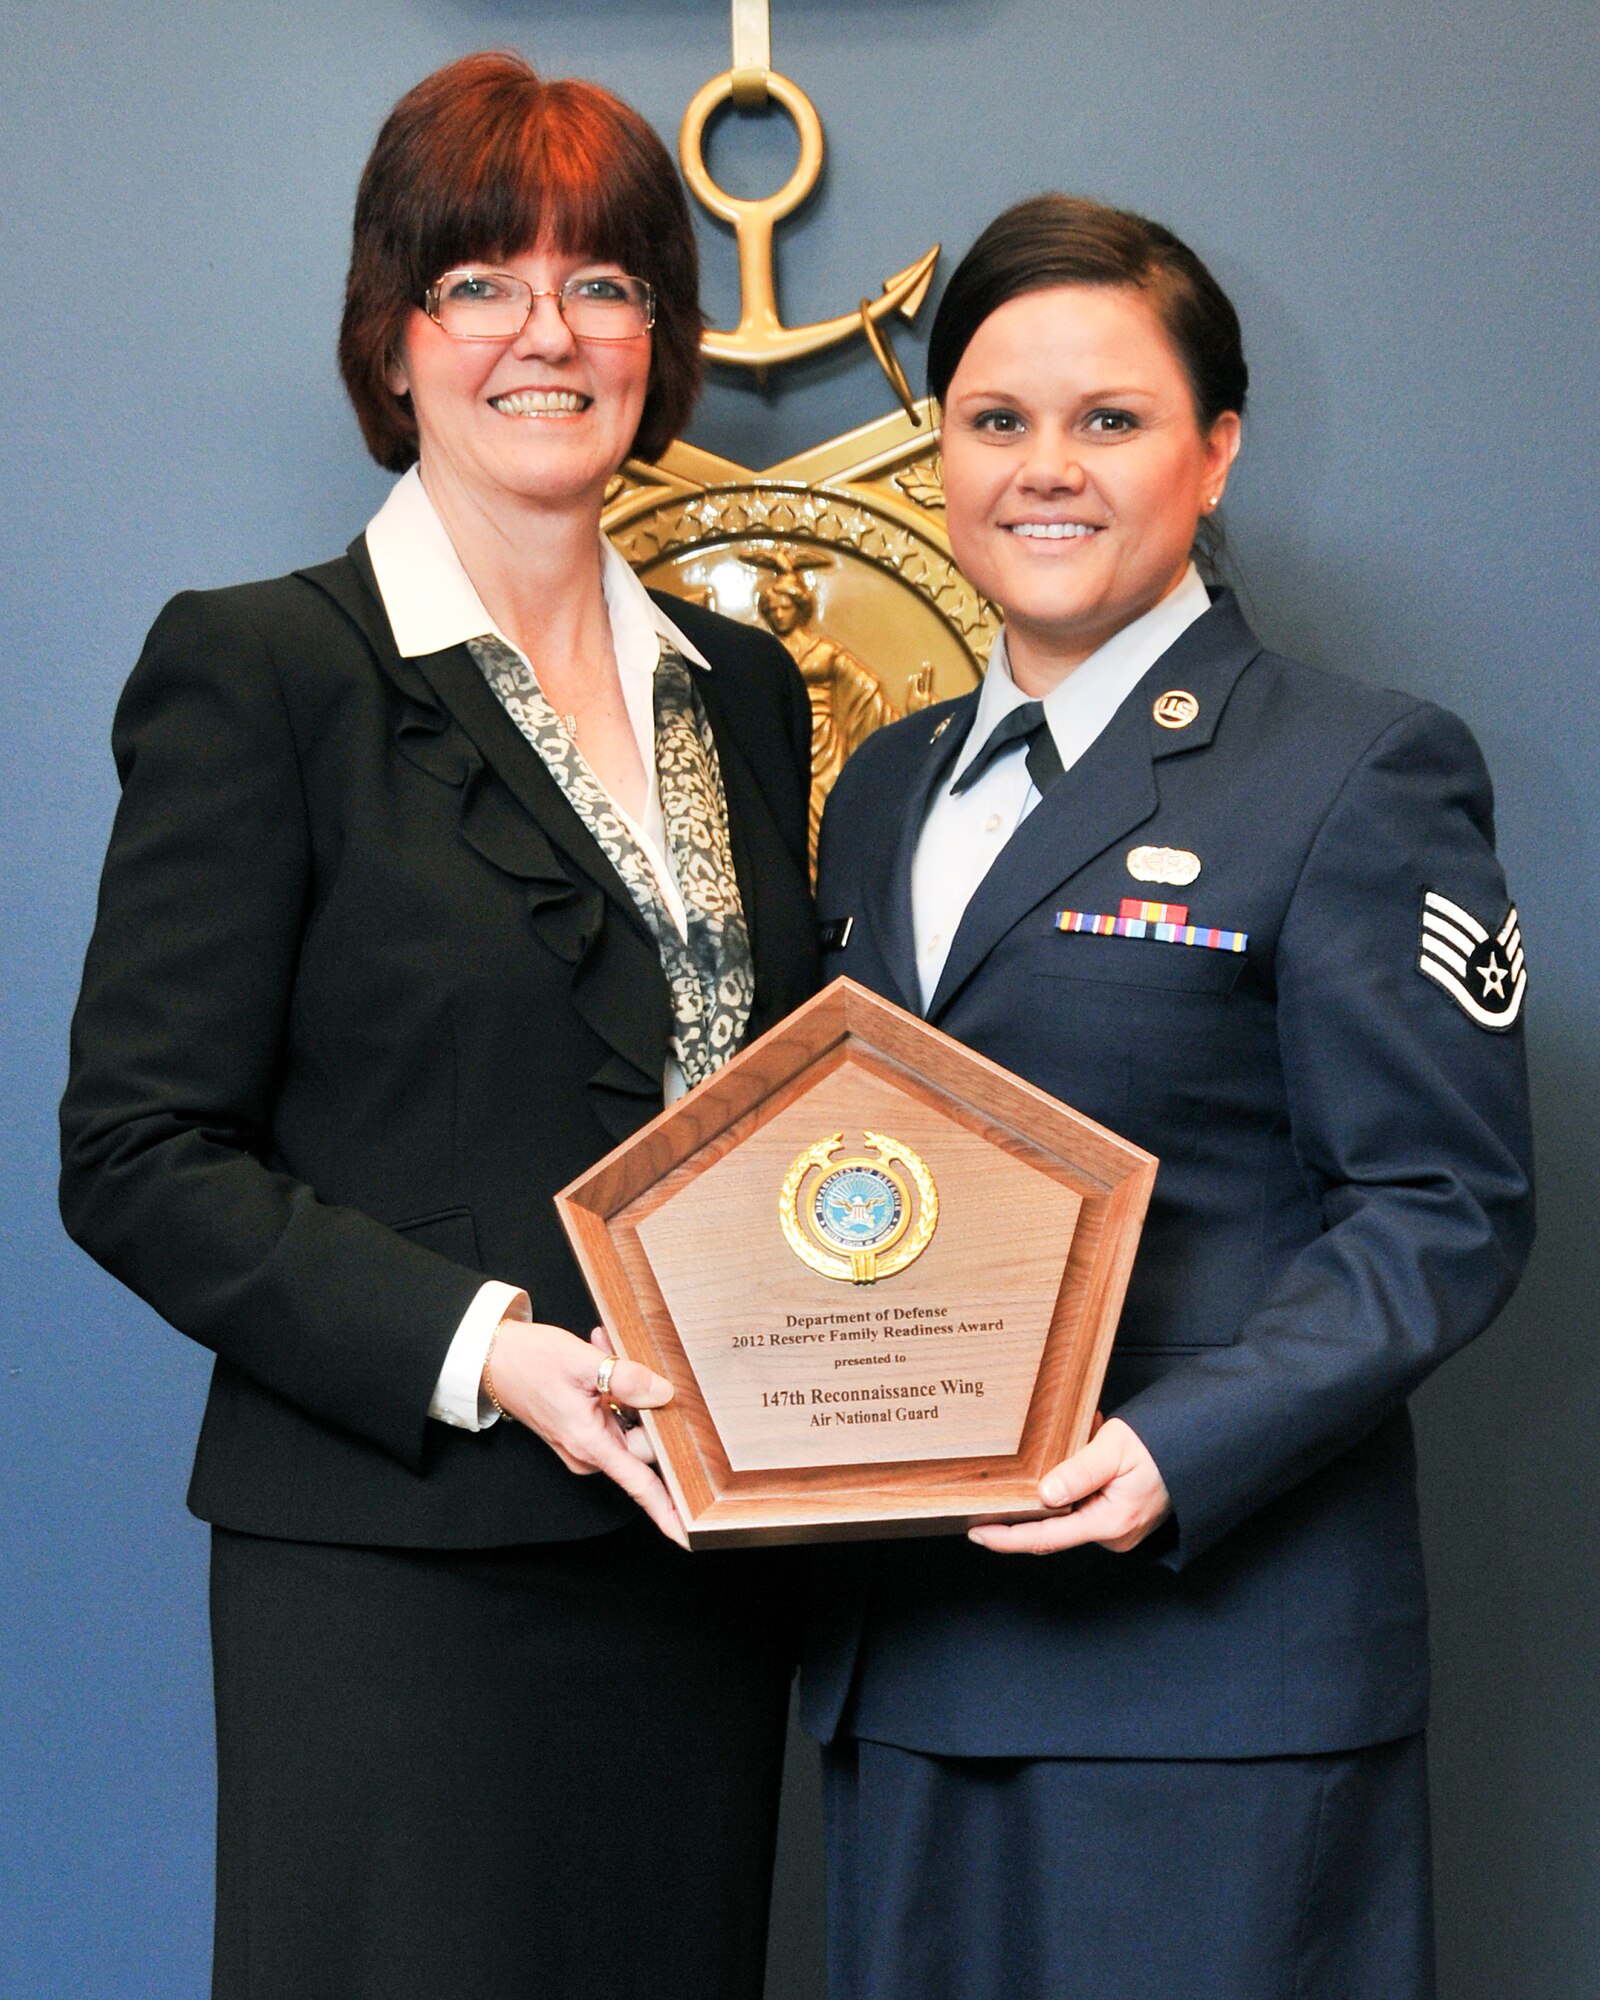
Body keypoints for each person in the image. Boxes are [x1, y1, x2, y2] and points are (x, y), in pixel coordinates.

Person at [59, 52, 818, 2000]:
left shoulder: (738, 688)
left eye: (604, 282)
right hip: (393, 1582)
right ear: (390, 339)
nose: (543, 334)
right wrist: (495, 1355)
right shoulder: (260, 667)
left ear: (660, 334)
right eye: (477, 282)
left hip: (696, 1581)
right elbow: (138, 1155)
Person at [807, 194, 1533, 2000]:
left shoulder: (1358, 767)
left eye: (1109, 420)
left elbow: (1443, 1207)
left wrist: (1169, 1453)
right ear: (939, 455)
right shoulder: (879, 790)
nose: (1045, 470)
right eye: (996, 421)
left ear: (1215, 454)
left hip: (1214, 1676)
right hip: (907, 1663)